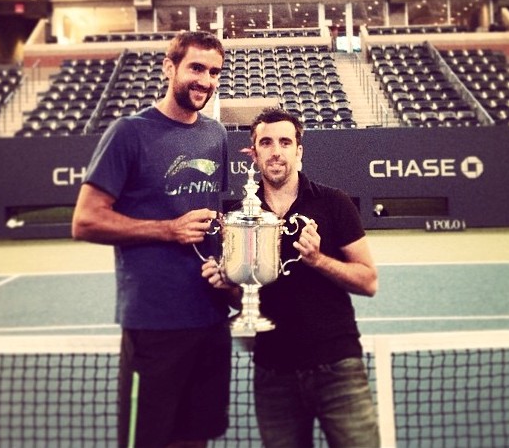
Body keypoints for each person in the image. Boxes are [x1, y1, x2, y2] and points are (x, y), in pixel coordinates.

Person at [72, 31, 237, 448]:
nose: (206, 80)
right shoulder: (129, 132)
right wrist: (168, 229)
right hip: (154, 325)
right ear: (170, 68)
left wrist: (230, 271)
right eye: (196, 68)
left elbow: (215, 217)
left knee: (196, 438)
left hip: (212, 320)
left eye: (214, 71)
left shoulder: (215, 135)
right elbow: (86, 221)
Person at [203, 107, 380, 448]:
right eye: (266, 142)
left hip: (337, 366)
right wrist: (227, 286)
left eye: (285, 142)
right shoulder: (239, 219)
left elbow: (367, 280)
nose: (276, 150)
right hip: (274, 372)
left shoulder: (334, 203)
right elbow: (244, 300)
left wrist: (318, 260)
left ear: (299, 150)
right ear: (254, 153)